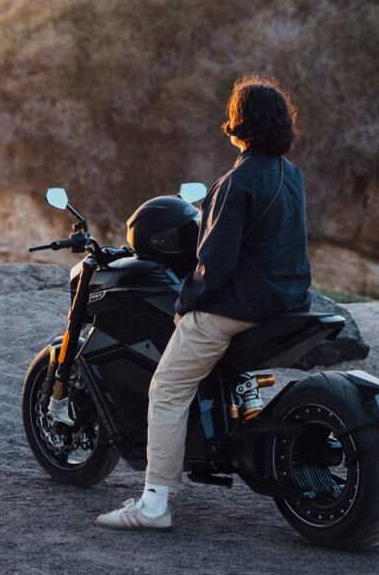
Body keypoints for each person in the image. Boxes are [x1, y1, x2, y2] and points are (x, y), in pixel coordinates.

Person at [96, 74, 313, 531]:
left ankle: (153, 505)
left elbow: (212, 262)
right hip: (287, 301)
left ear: (240, 122)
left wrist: (184, 303)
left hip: (237, 311)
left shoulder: (235, 182)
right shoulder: (291, 176)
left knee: (167, 389)